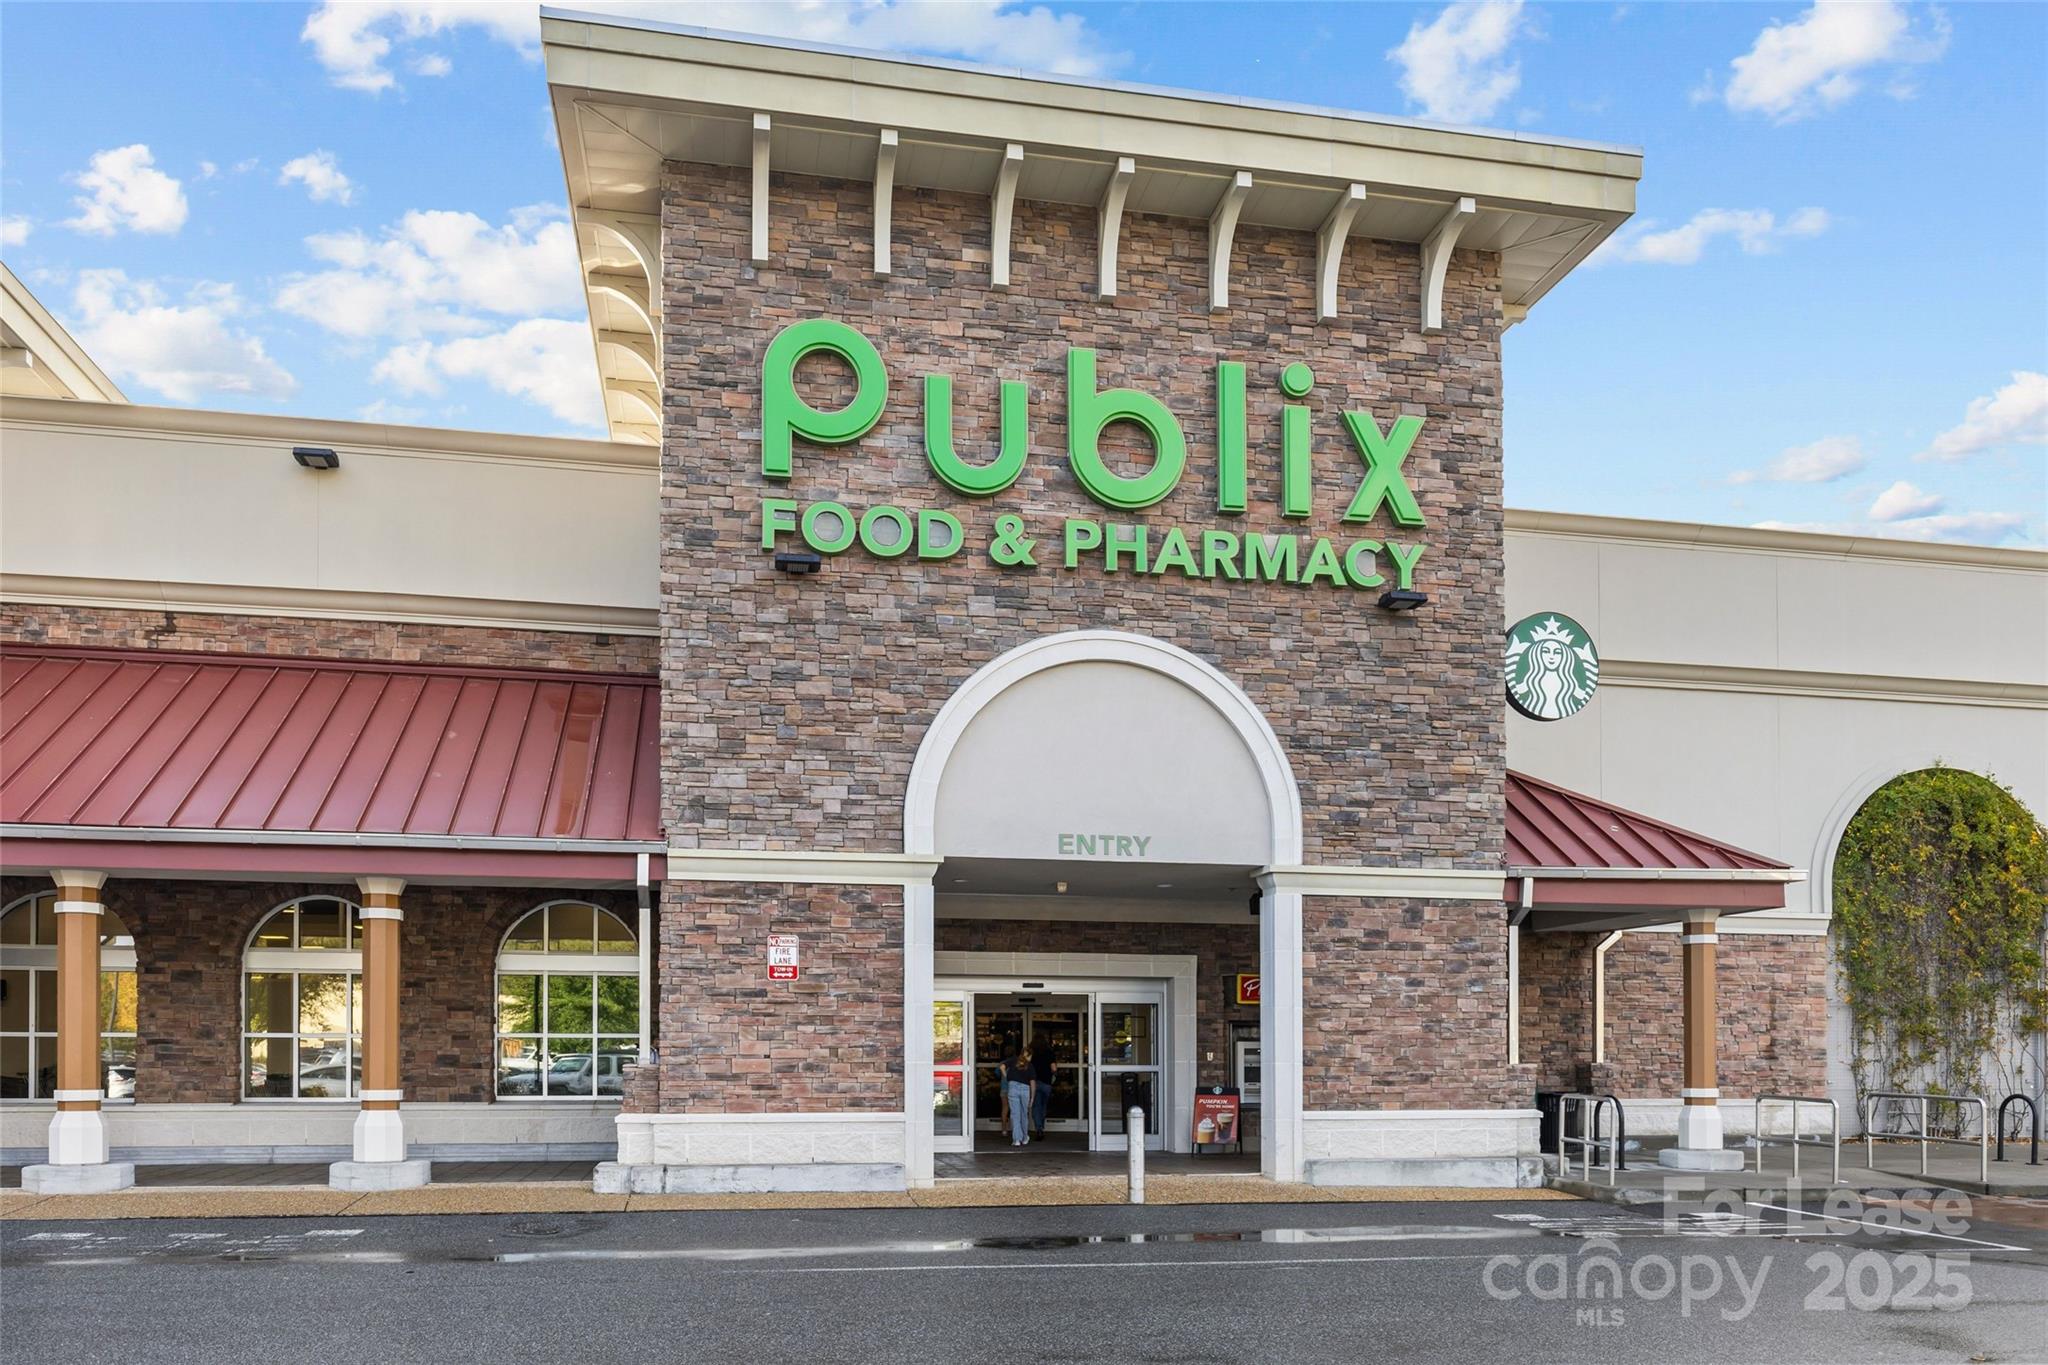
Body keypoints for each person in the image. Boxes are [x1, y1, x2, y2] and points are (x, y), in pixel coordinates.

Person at [1003, 1046, 1034, 1146]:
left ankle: (1016, 1140)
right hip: (1025, 1089)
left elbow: (1002, 1067)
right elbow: (1032, 1082)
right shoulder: (1030, 1065)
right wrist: (1032, 1097)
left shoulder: (1013, 1060)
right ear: (1029, 1055)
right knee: (1024, 1114)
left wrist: (1007, 1077)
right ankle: (1025, 1138)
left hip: (1013, 1087)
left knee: (1015, 1114)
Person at [1030, 1043, 1055, 1140]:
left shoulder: (1031, 1053)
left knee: (1036, 1106)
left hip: (1034, 1082)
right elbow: (1054, 1068)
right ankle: (1041, 1126)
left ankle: (1038, 1129)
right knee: (1043, 1106)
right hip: (1046, 1083)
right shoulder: (1049, 1053)